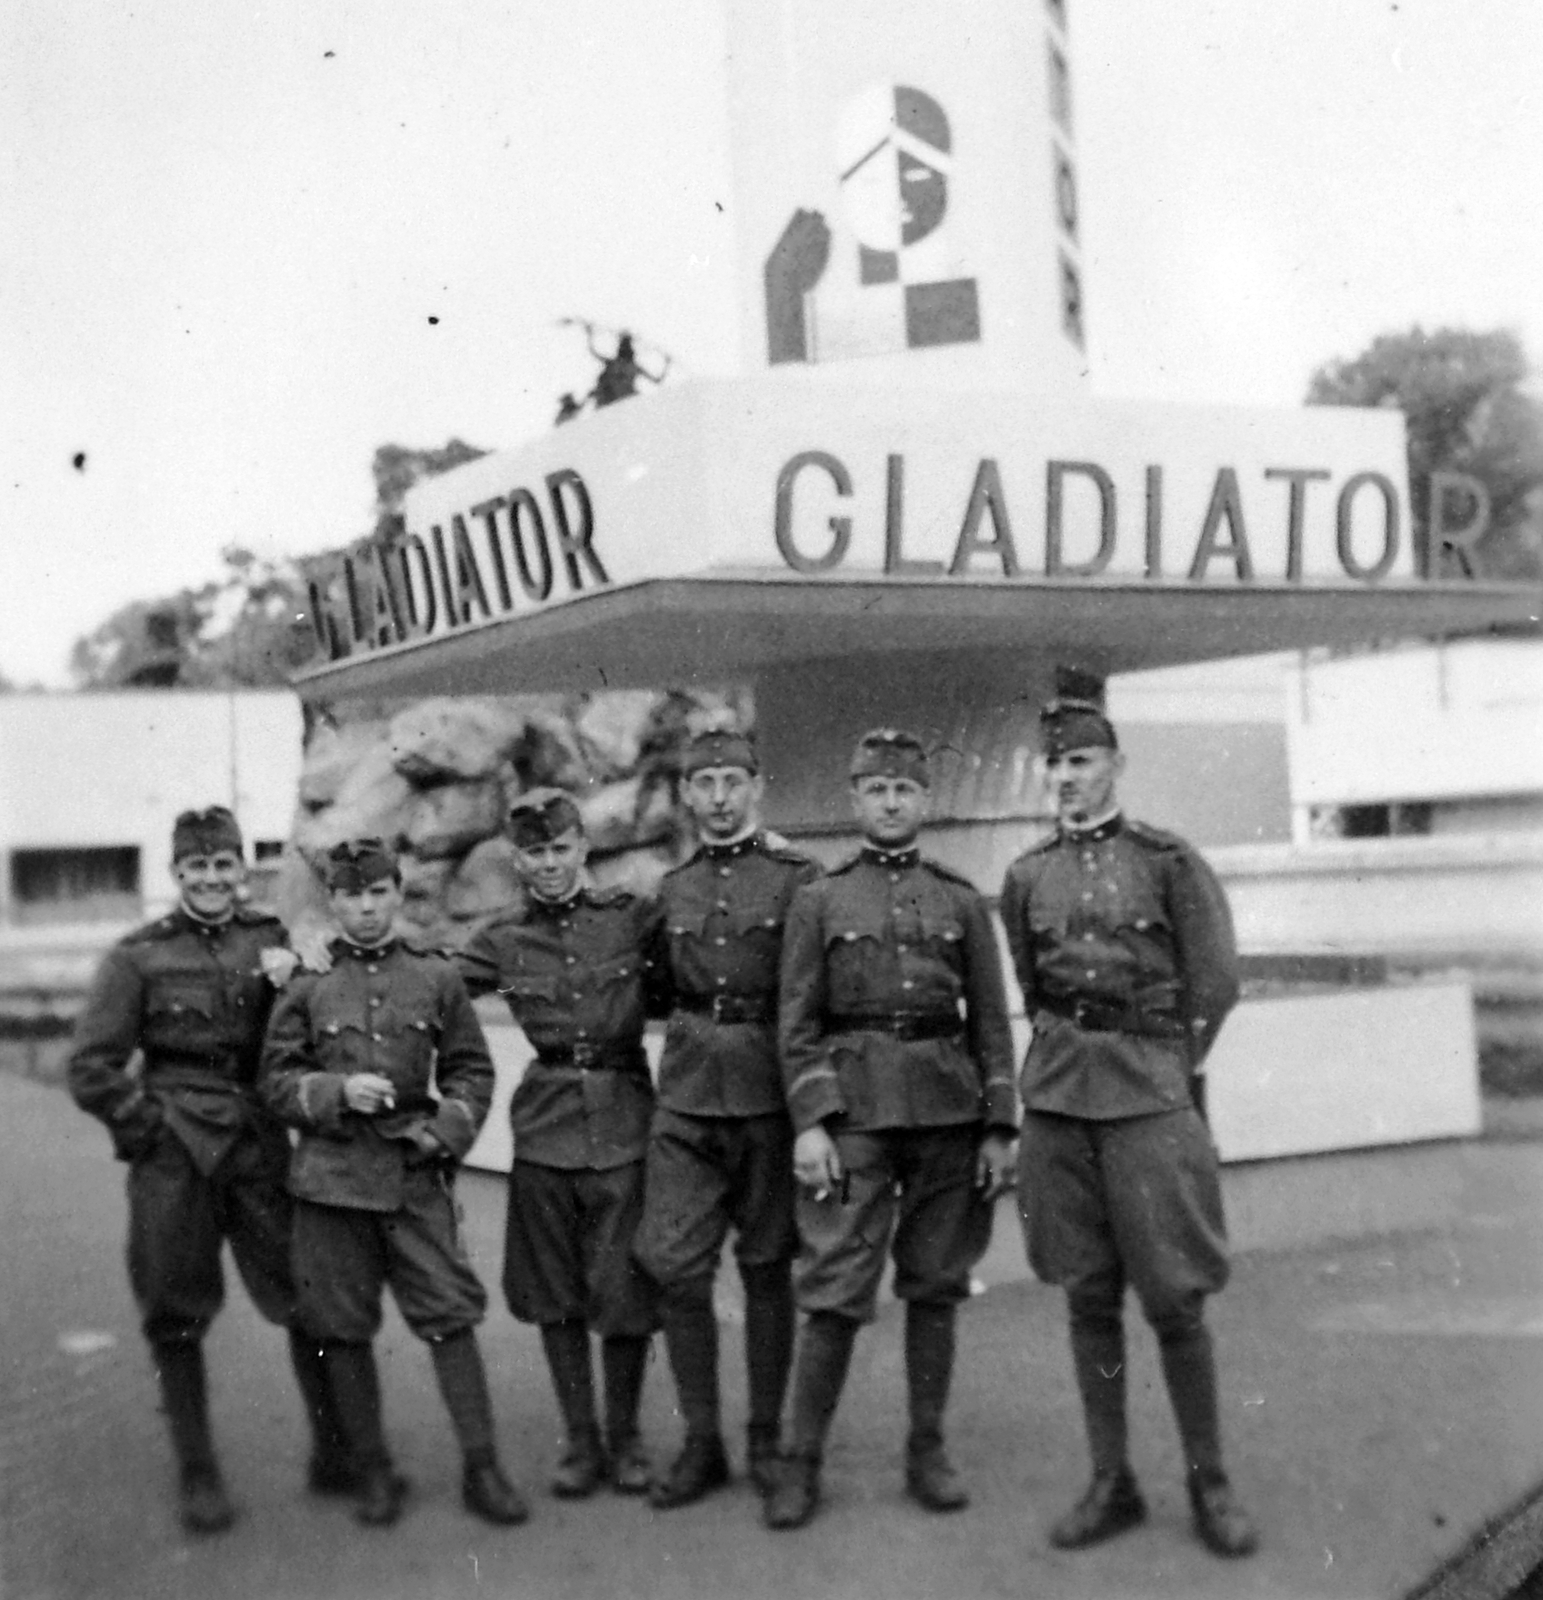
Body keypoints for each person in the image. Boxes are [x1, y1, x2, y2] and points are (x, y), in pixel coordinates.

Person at [999, 693, 1258, 1559]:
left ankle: (1207, 1478)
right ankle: (1112, 1480)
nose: (1064, 778)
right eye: (1055, 764)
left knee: (1174, 1298)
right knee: (1086, 1294)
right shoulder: (1026, 875)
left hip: (1147, 1099)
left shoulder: (1167, 862)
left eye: (1079, 761)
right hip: (1060, 1106)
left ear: (1114, 765)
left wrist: (1162, 1067)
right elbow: (1036, 991)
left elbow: (1215, 979)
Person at [66, 806, 349, 1535]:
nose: (213, 879)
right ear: (177, 874)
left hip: (256, 1148)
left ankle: (335, 1451)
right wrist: (149, 1130)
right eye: (198, 867)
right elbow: (92, 1068)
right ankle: (197, 1472)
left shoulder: (272, 942)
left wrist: (307, 968)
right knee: (174, 1311)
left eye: (225, 865)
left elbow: (311, 1027)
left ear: (240, 870)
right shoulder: (139, 957)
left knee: (301, 1295)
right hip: (175, 1156)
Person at [763, 729, 1017, 1531]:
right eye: (876, 790)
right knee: (835, 1288)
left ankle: (927, 1450)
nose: (891, 802)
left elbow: (992, 1025)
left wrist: (998, 1127)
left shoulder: (959, 898)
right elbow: (795, 1023)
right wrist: (810, 1123)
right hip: (855, 1118)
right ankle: (799, 1463)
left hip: (947, 1112)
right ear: (855, 799)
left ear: (924, 800)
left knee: (935, 1285)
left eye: (904, 790)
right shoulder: (819, 900)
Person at [258, 837, 527, 1530]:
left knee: (451, 1315)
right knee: (341, 1329)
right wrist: (337, 1090)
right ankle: (373, 1472)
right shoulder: (306, 983)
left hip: (412, 1177)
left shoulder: (433, 978)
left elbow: (471, 1069)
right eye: (351, 896)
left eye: (378, 893)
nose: (366, 908)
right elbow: (276, 1082)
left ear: (398, 894)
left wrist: (447, 1133)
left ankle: (482, 1467)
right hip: (331, 1184)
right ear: (335, 902)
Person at [632, 729, 821, 1509]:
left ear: (756, 787)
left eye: (730, 781)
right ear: (685, 793)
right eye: (702, 781)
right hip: (684, 1096)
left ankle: (768, 1445)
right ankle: (701, 1441)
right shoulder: (669, 889)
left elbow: (813, 995)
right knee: (675, 1266)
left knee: (768, 1266)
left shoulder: (796, 879)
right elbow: (650, 989)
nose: (716, 796)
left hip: (768, 1095)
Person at [456, 790, 660, 1499]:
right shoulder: (502, 938)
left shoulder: (630, 920)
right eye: (534, 852)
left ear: (583, 848)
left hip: (626, 1122)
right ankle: (580, 1441)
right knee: (555, 1294)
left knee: (626, 1290)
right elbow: (426, 982)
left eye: (560, 848)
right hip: (544, 1129)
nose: (548, 864)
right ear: (517, 859)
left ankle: (627, 1438)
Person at [586, 328, 670, 407]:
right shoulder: (634, 367)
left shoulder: (613, 363)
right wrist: (667, 364)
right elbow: (657, 380)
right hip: (626, 400)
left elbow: (593, 351)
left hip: (614, 400)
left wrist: (589, 333)